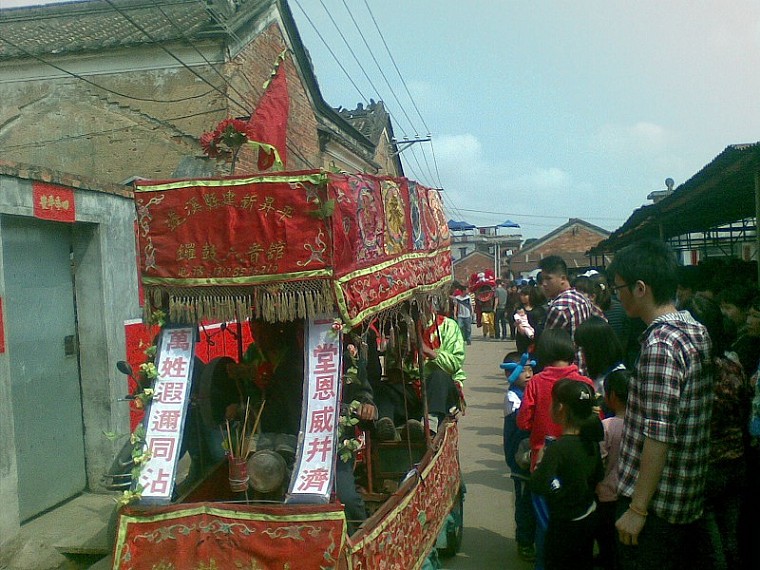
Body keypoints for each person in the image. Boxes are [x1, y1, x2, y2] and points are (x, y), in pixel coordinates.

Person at [607, 239, 713, 570]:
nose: (616, 296)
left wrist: (637, 509)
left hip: (655, 506)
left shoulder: (660, 345)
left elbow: (659, 434)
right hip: (684, 495)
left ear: (640, 289)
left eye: (618, 288)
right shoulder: (695, 329)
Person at [682, 294, 753, 570]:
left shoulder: (696, 371)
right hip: (736, 460)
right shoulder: (734, 365)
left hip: (706, 466)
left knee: (711, 548)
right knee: (731, 537)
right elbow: (744, 409)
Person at [530, 379, 604, 570]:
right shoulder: (592, 442)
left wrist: (540, 463)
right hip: (587, 519)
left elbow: (538, 484)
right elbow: (598, 476)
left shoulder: (558, 448)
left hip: (562, 526)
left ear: (560, 408)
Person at [501, 351, 537, 562]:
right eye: (523, 371)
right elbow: (521, 421)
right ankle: (524, 541)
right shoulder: (512, 397)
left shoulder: (529, 392)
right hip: (520, 458)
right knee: (524, 503)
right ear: (510, 374)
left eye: (530, 369)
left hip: (532, 455)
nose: (528, 374)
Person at [538, 255, 602, 375]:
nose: (544, 284)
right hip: (587, 368)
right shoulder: (582, 298)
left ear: (563, 278)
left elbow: (547, 346)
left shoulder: (559, 308)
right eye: (542, 279)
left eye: (548, 279)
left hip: (567, 372)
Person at [595, 368, 631, 570]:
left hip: (606, 495)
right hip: (631, 494)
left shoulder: (606, 426)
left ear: (612, 396)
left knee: (607, 542)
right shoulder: (641, 425)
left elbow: (599, 461)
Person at [574, 316, 624, 404]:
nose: (580, 354)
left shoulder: (616, 381)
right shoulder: (599, 372)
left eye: (583, 349)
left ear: (595, 350)